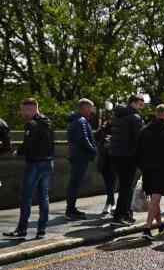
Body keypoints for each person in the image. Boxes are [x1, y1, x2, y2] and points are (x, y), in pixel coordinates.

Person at [3, 98, 55, 240]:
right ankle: (41, 230)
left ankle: (22, 229)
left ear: (31, 109)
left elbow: (28, 145)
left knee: (26, 197)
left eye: (24, 110)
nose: (22, 113)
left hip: (35, 164)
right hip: (48, 162)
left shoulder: (31, 124)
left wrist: (18, 152)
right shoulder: (48, 122)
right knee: (44, 197)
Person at [137, 104, 164, 240]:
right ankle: (147, 228)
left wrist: (142, 166)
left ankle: (160, 225)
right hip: (162, 169)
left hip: (147, 169)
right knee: (156, 199)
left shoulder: (144, 130)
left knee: (154, 199)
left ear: (156, 114)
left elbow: (137, 151)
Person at [109, 95, 144, 226]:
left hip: (115, 154)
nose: (142, 107)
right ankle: (120, 216)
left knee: (123, 186)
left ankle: (126, 213)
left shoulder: (118, 115)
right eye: (141, 104)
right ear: (133, 103)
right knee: (127, 187)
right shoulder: (134, 118)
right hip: (129, 156)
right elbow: (139, 139)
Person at [65, 99, 98, 219]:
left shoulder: (74, 120)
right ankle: (70, 210)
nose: (92, 111)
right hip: (80, 156)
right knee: (75, 184)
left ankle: (71, 208)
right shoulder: (81, 121)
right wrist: (94, 150)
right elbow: (84, 139)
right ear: (84, 108)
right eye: (90, 108)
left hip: (75, 155)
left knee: (74, 183)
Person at [94, 114, 116, 215]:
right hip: (104, 160)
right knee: (108, 184)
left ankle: (109, 204)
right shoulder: (103, 129)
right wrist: (101, 128)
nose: (110, 121)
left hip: (113, 159)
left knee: (111, 183)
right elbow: (96, 137)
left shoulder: (118, 129)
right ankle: (111, 203)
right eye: (109, 119)